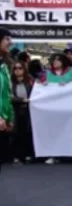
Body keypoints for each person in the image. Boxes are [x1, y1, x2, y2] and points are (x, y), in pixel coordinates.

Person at [11, 62, 34, 164]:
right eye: (15, 68)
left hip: (28, 111)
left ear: (24, 69)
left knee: (28, 133)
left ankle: (28, 155)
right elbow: (9, 97)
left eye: (20, 68)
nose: (17, 70)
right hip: (16, 111)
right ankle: (17, 156)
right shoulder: (10, 82)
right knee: (16, 134)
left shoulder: (29, 81)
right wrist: (22, 100)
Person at [0, 28, 15, 174]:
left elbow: (6, 94)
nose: (10, 42)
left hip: (3, 121)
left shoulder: (4, 66)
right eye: (7, 39)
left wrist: (10, 116)